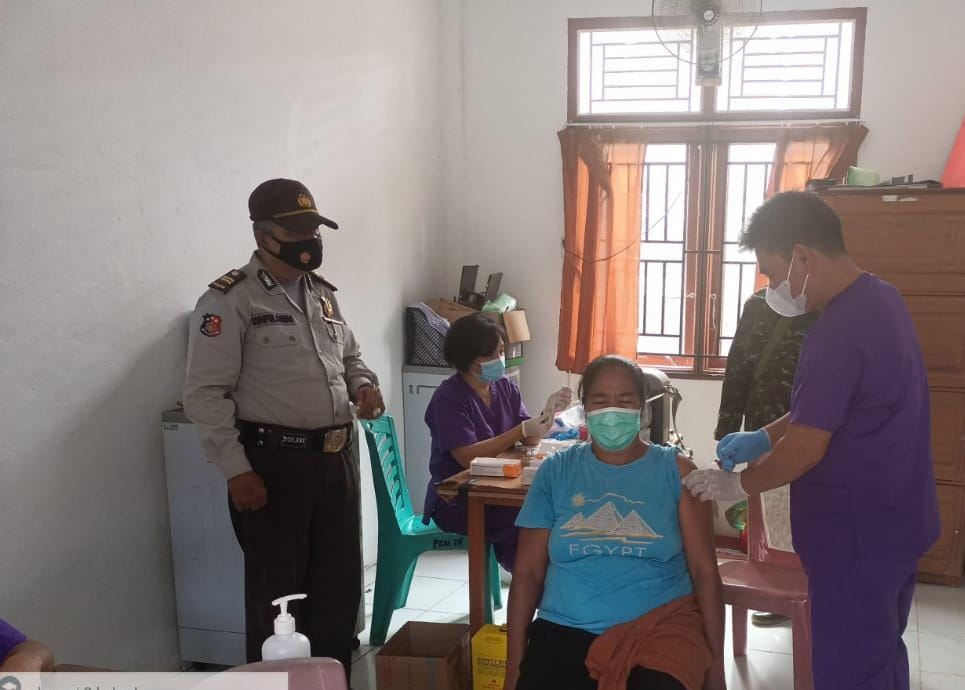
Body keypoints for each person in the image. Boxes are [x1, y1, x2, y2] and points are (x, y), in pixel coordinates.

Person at [684, 191, 941, 690]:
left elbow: (806, 447)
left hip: (856, 537)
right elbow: (828, 406)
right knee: (881, 650)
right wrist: (764, 435)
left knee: (849, 668)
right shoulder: (882, 299)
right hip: (897, 522)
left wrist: (738, 485)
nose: (772, 288)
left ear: (803, 256)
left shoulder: (835, 333)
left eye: (772, 273)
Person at [183, 178, 384, 682]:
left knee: (337, 594)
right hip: (273, 467)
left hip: (337, 460)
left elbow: (351, 358)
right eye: (297, 233)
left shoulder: (323, 296)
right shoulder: (230, 300)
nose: (310, 242)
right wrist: (236, 470)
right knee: (279, 602)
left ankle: (331, 683)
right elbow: (204, 394)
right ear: (263, 235)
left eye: (314, 231)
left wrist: (363, 386)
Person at [505, 355, 725, 690]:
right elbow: (527, 574)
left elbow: (704, 572)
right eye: (600, 401)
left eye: (624, 401)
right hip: (563, 629)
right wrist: (513, 667)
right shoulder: (555, 472)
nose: (612, 411)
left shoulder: (677, 472)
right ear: (585, 408)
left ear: (643, 408)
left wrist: (716, 668)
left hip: (661, 629)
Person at [423, 313, 571, 572]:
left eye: (502, 351)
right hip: (460, 500)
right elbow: (467, 457)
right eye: (495, 354)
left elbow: (529, 436)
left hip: (498, 489)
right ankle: (529, 580)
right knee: (527, 521)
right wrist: (519, 431)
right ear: (472, 361)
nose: (501, 360)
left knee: (550, 513)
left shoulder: (504, 387)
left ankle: (538, 579)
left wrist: (547, 413)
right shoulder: (448, 398)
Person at [715, 288, 818, 626]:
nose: (771, 282)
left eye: (772, 271)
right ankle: (780, 595)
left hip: (818, 434)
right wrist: (727, 430)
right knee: (773, 525)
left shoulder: (828, 308)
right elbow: (739, 368)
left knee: (814, 519)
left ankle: (817, 596)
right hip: (763, 433)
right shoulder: (759, 305)